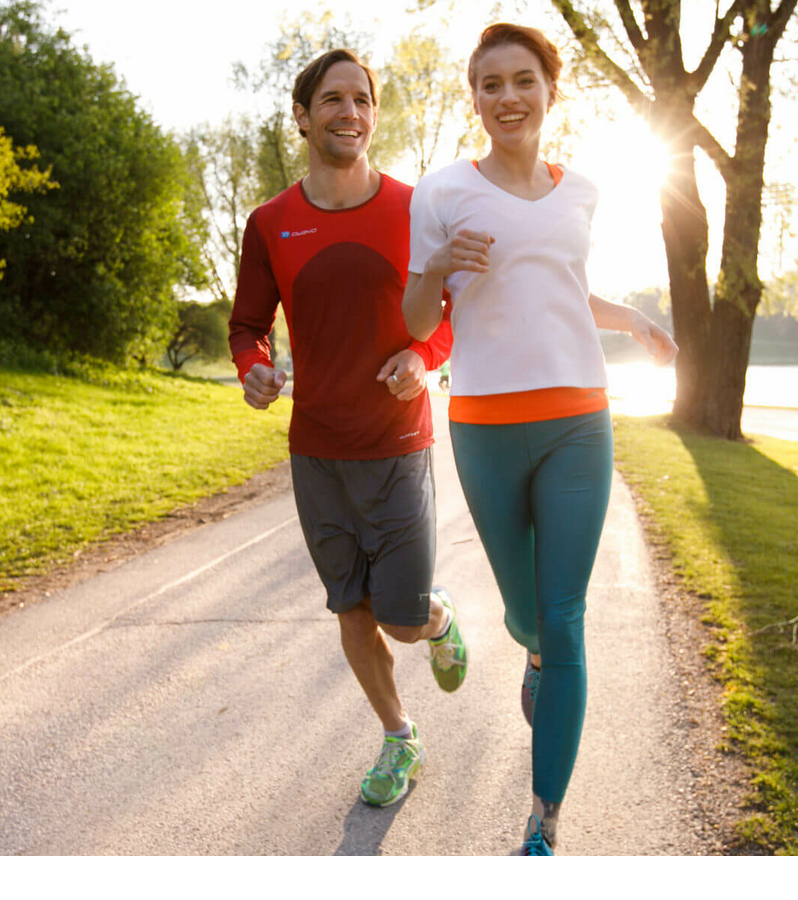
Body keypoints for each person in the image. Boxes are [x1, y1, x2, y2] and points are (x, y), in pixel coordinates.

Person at [402, 23, 678, 855]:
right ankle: (529, 652)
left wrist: (628, 316)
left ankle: (543, 822)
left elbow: (560, 287)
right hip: (485, 426)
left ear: (552, 92)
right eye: (490, 84)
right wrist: (439, 261)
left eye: (524, 80)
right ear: (475, 98)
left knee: (564, 617)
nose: (508, 97)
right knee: (527, 615)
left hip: (578, 424)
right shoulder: (442, 192)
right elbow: (417, 321)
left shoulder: (582, 190)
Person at [229, 49, 465, 809]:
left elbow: (446, 316)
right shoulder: (270, 222)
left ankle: (437, 618)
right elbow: (246, 326)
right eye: (333, 99)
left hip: (397, 443)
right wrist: (253, 370)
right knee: (349, 608)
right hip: (316, 452)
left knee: (397, 617)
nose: (351, 112)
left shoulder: (413, 207)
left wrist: (423, 359)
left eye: (362, 100)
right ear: (302, 116)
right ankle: (400, 736)